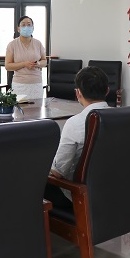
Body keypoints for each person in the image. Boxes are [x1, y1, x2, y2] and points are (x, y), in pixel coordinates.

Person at [45, 66, 110, 209]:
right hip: (114, 191)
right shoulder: (123, 117)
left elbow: (58, 172)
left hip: (81, 197)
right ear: (107, 90)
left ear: (78, 93)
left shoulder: (75, 123)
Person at [5, 16, 47, 99]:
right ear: (18, 29)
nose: (26, 27)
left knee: (37, 107)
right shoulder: (12, 44)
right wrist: (24, 64)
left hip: (36, 84)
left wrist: (38, 64)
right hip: (19, 84)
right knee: (20, 106)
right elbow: (8, 66)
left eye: (29, 24)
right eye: (23, 25)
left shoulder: (38, 43)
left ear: (33, 28)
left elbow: (44, 61)